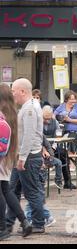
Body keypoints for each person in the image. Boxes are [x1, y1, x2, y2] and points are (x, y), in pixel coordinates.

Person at [6, 78, 46, 234]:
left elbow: (29, 135)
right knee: (11, 190)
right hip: (23, 156)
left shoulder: (29, 109)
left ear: (22, 91)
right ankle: (8, 222)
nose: (12, 93)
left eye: (14, 91)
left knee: (31, 192)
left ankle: (38, 223)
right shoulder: (28, 107)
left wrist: (22, 157)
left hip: (27, 157)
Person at [0, 83, 32, 240]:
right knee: (6, 190)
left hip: (1, 155)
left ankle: (3, 228)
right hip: (9, 155)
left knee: (3, 191)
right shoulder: (14, 113)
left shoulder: (2, 113)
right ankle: (24, 221)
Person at [42, 106, 76, 190]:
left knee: (64, 154)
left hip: (52, 146)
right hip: (41, 147)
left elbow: (57, 137)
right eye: (45, 118)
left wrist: (52, 148)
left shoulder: (55, 122)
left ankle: (67, 181)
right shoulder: (37, 122)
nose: (47, 121)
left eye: (49, 118)